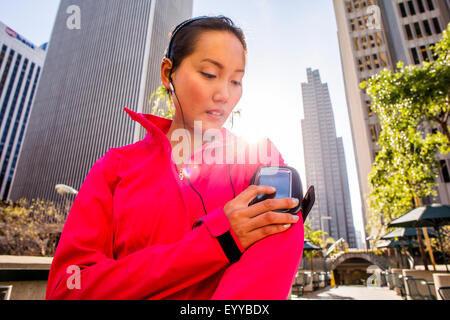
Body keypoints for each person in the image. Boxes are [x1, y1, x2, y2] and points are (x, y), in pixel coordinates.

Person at [46, 15, 304, 300]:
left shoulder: (260, 160)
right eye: (209, 74)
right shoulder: (115, 168)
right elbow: (67, 289)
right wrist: (216, 242)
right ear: (168, 73)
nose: (224, 94)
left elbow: (275, 252)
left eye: (236, 81)